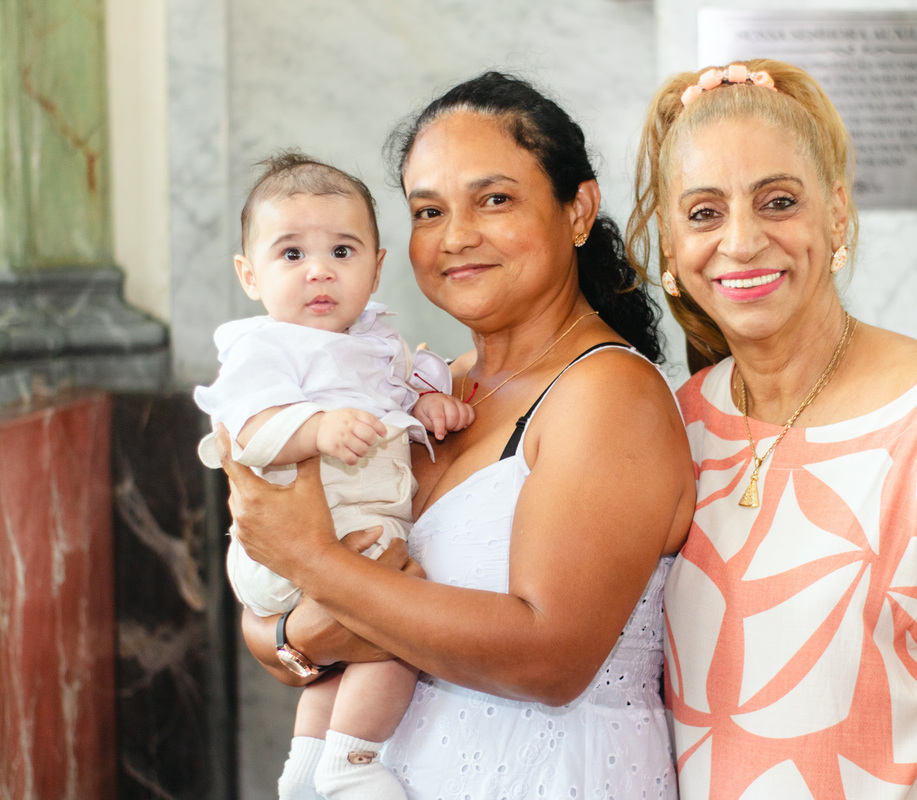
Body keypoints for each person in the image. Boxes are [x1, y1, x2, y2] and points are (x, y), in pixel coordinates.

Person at [213, 72, 695, 799]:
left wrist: (313, 563)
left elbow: (549, 658)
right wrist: (292, 631)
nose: (456, 236)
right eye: (428, 211)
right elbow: (277, 631)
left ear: (578, 208)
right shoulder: (422, 389)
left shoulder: (608, 395)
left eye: (494, 199)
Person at [627, 60, 917, 799]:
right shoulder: (673, 424)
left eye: (778, 201)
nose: (741, 242)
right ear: (671, 248)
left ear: (836, 214)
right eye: (705, 212)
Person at [194, 153, 474, 800]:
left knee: (346, 654)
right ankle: (353, 763)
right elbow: (247, 432)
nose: (319, 270)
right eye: (291, 254)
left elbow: (398, 398)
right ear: (249, 274)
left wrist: (427, 405)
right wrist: (315, 430)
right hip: (290, 543)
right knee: (398, 632)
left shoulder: (376, 343)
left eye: (342, 251)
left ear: (376, 267)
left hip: (349, 529)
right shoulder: (264, 348)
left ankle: (304, 767)